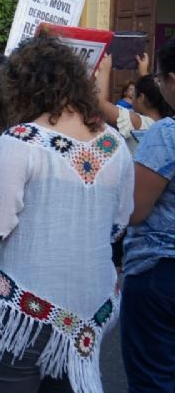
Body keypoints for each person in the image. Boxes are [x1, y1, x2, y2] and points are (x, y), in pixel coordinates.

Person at [0, 36, 134, 392]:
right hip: (89, 308)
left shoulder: (20, 141)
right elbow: (118, 225)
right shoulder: (114, 145)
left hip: (20, 310)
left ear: (21, 87)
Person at [120, 37, 175, 391]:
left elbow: (135, 210)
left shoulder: (166, 135)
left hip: (160, 270)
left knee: (153, 379)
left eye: (158, 78)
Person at [96, 53, 171, 153]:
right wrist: (143, 71)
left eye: (134, 94)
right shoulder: (165, 122)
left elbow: (100, 103)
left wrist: (104, 70)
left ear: (141, 98)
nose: (132, 98)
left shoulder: (138, 122)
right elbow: (153, 90)